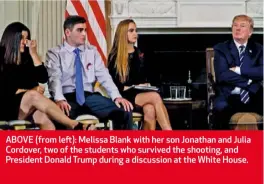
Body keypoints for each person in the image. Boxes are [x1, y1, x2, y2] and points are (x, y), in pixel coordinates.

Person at [45, 16, 133, 130]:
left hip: (89, 97)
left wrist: (117, 97)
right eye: (80, 30)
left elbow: (104, 76)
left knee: (124, 111)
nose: (84, 34)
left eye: (85, 30)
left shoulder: (92, 51)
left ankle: (121, 147)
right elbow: (54, 77)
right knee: (58, 115)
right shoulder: (55, 53)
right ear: (67, 32)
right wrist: (59, 99)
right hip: (67, 97)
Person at [0, 22, 92, 130]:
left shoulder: (27, 59)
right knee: (33, 95)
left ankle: (51, 146)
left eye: (27, 38)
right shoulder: (1, 58)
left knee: (44, 119)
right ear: (12, 39)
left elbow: (43, 78)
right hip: (6, 107)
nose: (25, 42)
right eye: (21, 38)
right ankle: (73, 124)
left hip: (28, 106)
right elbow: (4, 89)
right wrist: (27, 91)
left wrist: (34, 54)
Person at [107, 19, 172, 130]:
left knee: (150, 110)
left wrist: (146, 83)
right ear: (123, 33)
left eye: (135, 30)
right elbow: (114, 84)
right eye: (131, 31)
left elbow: (149, 77)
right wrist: (129, 87)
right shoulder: (114, 56)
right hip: (124, 97)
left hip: (141, 93)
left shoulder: (140, 54)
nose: (135, 34)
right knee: (155, 97)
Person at [213, 14, 263, 129]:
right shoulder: (221, 49)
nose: (238, 28)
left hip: (254, 95)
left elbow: (262, 71)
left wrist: (239, 70)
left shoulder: (259, 49)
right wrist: (249, 81)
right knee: (220, 110)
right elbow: (223, 75)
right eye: (235, 25)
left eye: (242, 25)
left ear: (250, 32)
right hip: (229, 96)